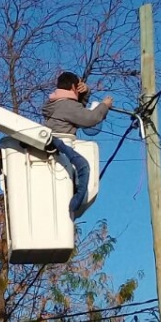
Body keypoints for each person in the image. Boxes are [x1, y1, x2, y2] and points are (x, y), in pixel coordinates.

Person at [42, 71, 113, 218]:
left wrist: (85, 93)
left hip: (55, 148)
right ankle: (74, 204)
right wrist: (104, 105)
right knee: (83, 167)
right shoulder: (66, 105)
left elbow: (76, 111)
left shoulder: (56, 103)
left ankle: (74, 204)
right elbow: (90, 118)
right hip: (61, 148)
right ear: (74, 87)